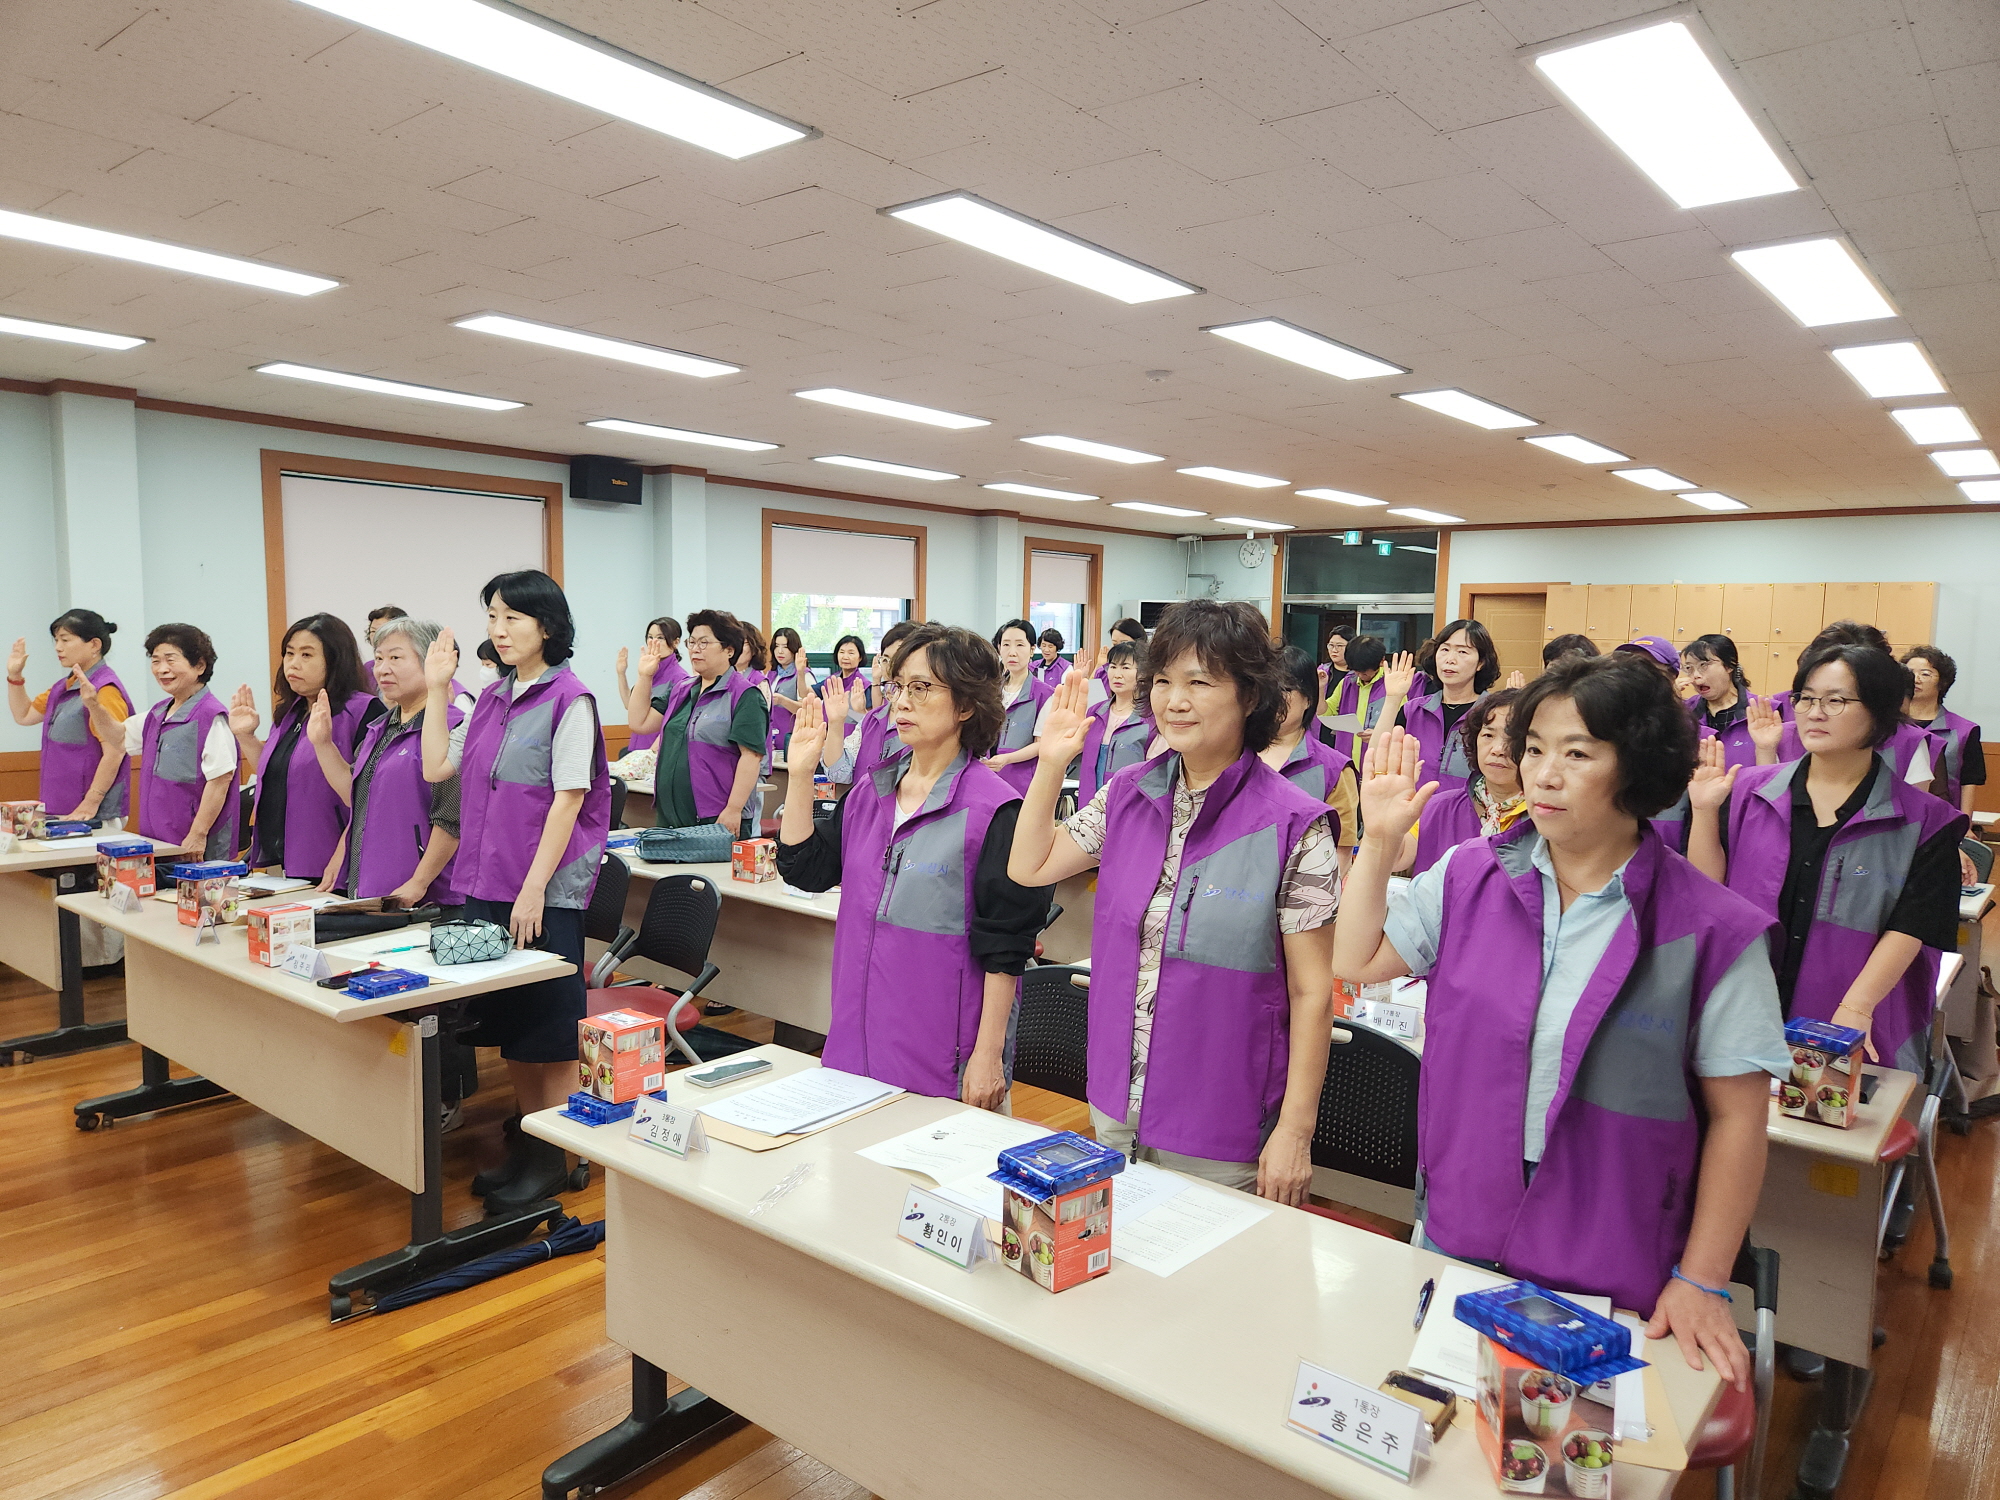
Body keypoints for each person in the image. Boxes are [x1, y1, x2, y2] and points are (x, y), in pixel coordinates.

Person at [1331, 655, 1786, 1384]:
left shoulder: (1711, 929)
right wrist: (1379, 841)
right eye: (1535, 748)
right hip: (1468, 1203)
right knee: (1449, 1407)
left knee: (1574, 1429)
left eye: (1577, 754)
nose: (1543, 774)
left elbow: (1739, 1119)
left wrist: (1703, 1278)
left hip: (1614, 1227)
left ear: (1637, 767)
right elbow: (1355, 958)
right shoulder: (1470, 873)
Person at [1008, 601, 1338, 1202]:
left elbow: (1313, 992)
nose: (1174, 701)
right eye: (1162, 681)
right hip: (1117, 1099)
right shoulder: (1127, 794)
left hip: (1221, 1114)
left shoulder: (1295, 824)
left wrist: (1296, 1129)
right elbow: (1029, 866)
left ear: (1250, 696)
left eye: (1199, 683)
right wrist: (1052, 763)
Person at [777, 624, 1052, 1104]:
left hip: (942, 1057)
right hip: (856, 1042)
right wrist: (800, 776)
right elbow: (807, 870)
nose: (901, 702)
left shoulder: (996, 811)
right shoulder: (871, 790)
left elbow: (1006, 948)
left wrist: (988, 1056)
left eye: (921, 688)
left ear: (966, 705)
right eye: (897, 686)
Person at [420, 570, 611, 1210]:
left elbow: (568, 802)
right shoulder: (495, 697)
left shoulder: (571, 700)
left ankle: (556, 1158)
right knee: (516, 1027)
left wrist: (534, 891)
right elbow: (437, 767)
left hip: (542, 892)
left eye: (512, 618)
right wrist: (438, 688)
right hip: (488, 882)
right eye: (493, 617)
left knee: (549, 1031)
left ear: (547, 627)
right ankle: (532, 1146)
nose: (499, 630)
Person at [1687, 644, 1968, 1075]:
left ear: (1880, 712)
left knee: (1829, 1111)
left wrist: (1857, 1006)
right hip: (1746, 1006)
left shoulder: (1925, 820)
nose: (1814, 713)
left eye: (1835, 700)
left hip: (1851, 1018)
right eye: (1806, 697)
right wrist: (1704, 813)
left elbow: (1913, 925)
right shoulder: (1748, 790)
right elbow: (1708, 891)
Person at [230, 613, 382, 881]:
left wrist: (343, 850)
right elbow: (279, 772)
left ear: (335, 660)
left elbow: (369, 798)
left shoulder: (364, 710)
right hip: (283, 856)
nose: (293, 664)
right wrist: (246, 737)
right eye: (289, 654)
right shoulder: (291, 711)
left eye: (306, 655)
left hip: (333, 859)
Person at [322, 616, 461, 907]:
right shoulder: (380, 727)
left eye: (395, 658)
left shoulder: (452, 728)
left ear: (431, 662)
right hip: (373, 888)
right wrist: (322, 744)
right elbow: (356, 795)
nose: (382, 669)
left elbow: (451, 819)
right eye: (378, 658)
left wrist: (418, 883)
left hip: (427, 898)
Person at [79, 624, 238, 858]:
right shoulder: (159, 712)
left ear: (200, 665)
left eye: (170, 660)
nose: (162, 669)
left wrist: (198, 834)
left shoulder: (211, 716)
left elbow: (221, 779)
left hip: (196, 846)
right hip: (158, 841)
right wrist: (94, 705)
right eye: (155, 661)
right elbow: (119, 738)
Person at [626, 610, 767, 834]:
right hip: (670, 815)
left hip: (716, 816)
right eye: (691, 642)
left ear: (729, 650)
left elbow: (751, 757)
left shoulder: (745, 695)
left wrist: (734, 809)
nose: (695, 649)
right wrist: (644, 676)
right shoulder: (681, 689)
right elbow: (639, 723)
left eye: (704, 642)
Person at [8, 610, 133, 822]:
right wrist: (15, 676)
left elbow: (115, 751)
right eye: (56, 640)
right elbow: (24, 715)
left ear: (94, 645)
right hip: (60, 806)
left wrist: (91, 802)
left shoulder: (105, 689)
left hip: (92, 814)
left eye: (65, 640)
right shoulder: (64, 686)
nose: (58, 647)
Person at [1400, 688, 1525, 875]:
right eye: (1488, 735)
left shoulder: (1548, 818)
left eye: (1514, 738)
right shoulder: (1440, 807)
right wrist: (1385, 829)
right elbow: (1397, 857)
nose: (1498, 749)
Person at [1262, 646, 1359, 864]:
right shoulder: (1235, 754)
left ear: (1308, 699)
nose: (1274, 697)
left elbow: (1342, 849)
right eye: (1267, 687)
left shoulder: (1334, 769)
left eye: (1285, 689)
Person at [1394, 619, 1500, 793]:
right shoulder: (1413, 710)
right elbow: (1378, 755)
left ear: (1481, 663)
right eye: (1444, 649)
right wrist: (1393, 698)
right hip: (1413, 807)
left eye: (1462, 652)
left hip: (1467, 809)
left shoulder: (1493, 715)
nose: (1450, 660)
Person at [820, 620, 920, 791]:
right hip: (862, 807)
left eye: (900, 659)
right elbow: (838, 773)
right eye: (886, 660)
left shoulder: (925, 721)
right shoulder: (872, 719)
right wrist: (836, 723)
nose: (891, 667)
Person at [1902, 646, 1982, 815]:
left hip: (1944, 816)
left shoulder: (1965, 730)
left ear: (1943, 682)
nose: (1915, 679)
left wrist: (1965, 822)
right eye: (1910, 673)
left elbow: (1968, 782)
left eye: (1925, 674)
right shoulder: (1887, 725)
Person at [1076, 640, 1153, 802]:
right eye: (1113, 666)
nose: (1117, 674)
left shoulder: (1150, 719)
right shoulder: (1095, 712)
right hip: (1089, 804)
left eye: (1125, 667)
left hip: (1130, 805)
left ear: (1143, 673)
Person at [1324, 635, 1420, 762]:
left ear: (1381, 661)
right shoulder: (1347, 682)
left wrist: (1380, 734)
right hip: (1346, 762)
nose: (1359, 675)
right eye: (1356, 671)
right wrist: (1320, 687)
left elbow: (1407, 726)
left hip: (1379, 761)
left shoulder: (1395, 686)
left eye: (1364, 672)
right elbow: (1326, 711)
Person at [986, 619, 1053, 794]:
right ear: (999, 648)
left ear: (1032, 650)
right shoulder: (990, 689)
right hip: (986, 776)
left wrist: (1007, 759)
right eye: (1006, 645)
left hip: (1021, 781)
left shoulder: (1045, 694)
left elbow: (1041, 744)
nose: (1012, 652)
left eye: (1020, 645)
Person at [1680, 634, 1757, 768]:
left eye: (1703, 665)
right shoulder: (1684, 711)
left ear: (1729, 666)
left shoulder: (1761, 710)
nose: (1695, 675)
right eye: (1689, 668)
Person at [616, 617, 686, 755]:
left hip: (656, 753)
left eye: (660, 637)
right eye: (650, 637)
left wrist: (651, 754)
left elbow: (673, 725)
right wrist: (621, 673)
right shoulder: (648, 673)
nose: (653, 642)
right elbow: (630, 706)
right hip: (636, 748)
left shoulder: (680, 679)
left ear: (676, 642)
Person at [766, 626, 817, 763]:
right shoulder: (771, 675)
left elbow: (807, 708)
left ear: (795, 649)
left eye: (785, 647)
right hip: (771, 742)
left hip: (792, 743)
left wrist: (782, 701)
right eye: (776, 646)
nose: (780, 651)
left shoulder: (804, 675)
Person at [361, 604, 406, 688]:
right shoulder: (368, 668)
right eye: (373, 631)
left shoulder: (409, 665)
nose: (376, 636)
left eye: (382, 631)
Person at [828, 634, 872, 709]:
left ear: (860, 657)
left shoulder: (865, 685)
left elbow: (869, 714)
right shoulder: (831, 680)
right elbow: (808, 692)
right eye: (842, 652)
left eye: (851, 653)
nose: (845, 657)